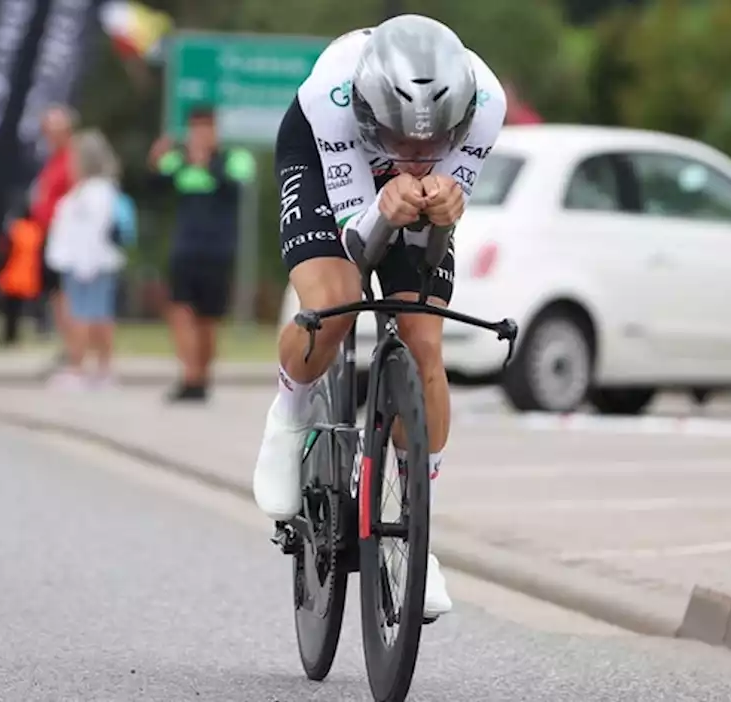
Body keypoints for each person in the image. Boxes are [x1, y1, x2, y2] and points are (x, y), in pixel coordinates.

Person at [256, 14, 507, 621]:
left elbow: (428, 250)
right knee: (333, 307)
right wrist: (384, 209)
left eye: (433, 146)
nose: (418, 158)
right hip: (322, 166)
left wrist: (443, 216)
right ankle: (288, 416)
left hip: (396, 184)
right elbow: (356, 247)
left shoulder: (486, 101)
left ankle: (420, 538)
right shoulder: (333, 95)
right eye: (403, 143)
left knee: (422, 338)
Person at [148, 108, 256, 402]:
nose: (200, 136)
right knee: (180, 310)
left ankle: (202, 378)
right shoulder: (179, 161)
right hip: (185, 249)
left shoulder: (234, 160)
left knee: (209, 319)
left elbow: (233, 188)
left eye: (206, 129)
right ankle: (189, 375)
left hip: (218, 250)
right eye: (195, 130)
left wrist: (207, 163)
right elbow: (156, 188)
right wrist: (155, 163)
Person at [44, 129, 125, 390]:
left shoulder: (98, 192)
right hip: (76, 263)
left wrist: (85, 264)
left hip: (90, 264)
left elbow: (95, 230)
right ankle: (96, 367)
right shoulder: (81, 190)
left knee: (85, 316)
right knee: (90, 314)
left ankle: (83, 367)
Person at [33, 106, 78, 361]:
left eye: (53, 130)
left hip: (65, 235)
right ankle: (67, 345)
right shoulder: (52, 159)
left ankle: (74, 347)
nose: (49, 135)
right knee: (55, 294)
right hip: (48, 233)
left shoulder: (73, 159)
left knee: (65, 293)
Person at [0, 199, 45, 346]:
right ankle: (40, 331)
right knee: (32, 310)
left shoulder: (14, 230)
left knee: (9, 311)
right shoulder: (36, 231)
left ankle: (9, 336)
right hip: (30, 277)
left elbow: (3, 253)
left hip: (11, 276)